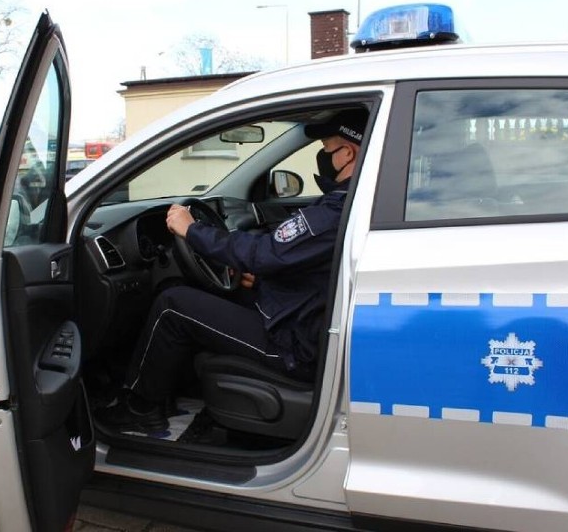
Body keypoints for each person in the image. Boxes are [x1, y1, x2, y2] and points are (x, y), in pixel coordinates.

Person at [95, 109, 369, 434]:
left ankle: (141, 407)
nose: (323, 158)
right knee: (224, 290)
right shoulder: (351, 202)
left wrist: (191, 229)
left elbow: (263, 253)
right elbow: (299, 265)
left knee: (173, 305)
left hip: (294, 346)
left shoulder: (337, 209)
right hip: (303, 323)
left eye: (326, 150)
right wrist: (263, 281)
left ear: (347, 153)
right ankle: (165, 391)